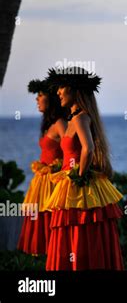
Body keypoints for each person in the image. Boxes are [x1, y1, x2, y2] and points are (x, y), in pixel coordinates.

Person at [45, 67, 124, 270]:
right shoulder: (74, 119)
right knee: (73, 232)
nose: (58, 92)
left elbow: (88, 148)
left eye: (62, 88)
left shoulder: (80, 117)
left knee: (78, 232)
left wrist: (79, 177)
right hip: (71, 182)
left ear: (75, 91)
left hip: (78, 185)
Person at [17, 78, 67, 255]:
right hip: (42, 181)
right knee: (39, 221)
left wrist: (58, 169)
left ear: (51, 99)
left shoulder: (61, 123)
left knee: (50, 220)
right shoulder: (49, 124)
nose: (36, 100)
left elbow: (70, 147)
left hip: (53, 181)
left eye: (40, 96)